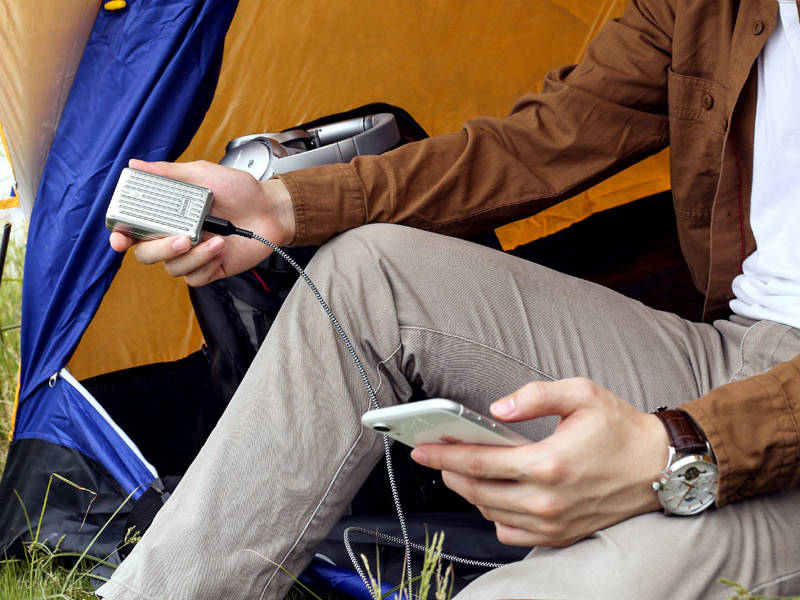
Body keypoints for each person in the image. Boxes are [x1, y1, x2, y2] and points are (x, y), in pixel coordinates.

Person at [96, 1, 800, 598]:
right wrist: (281, 206)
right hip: (741, 347)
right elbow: (547, 139)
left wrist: (680, 448)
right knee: (370, 272)